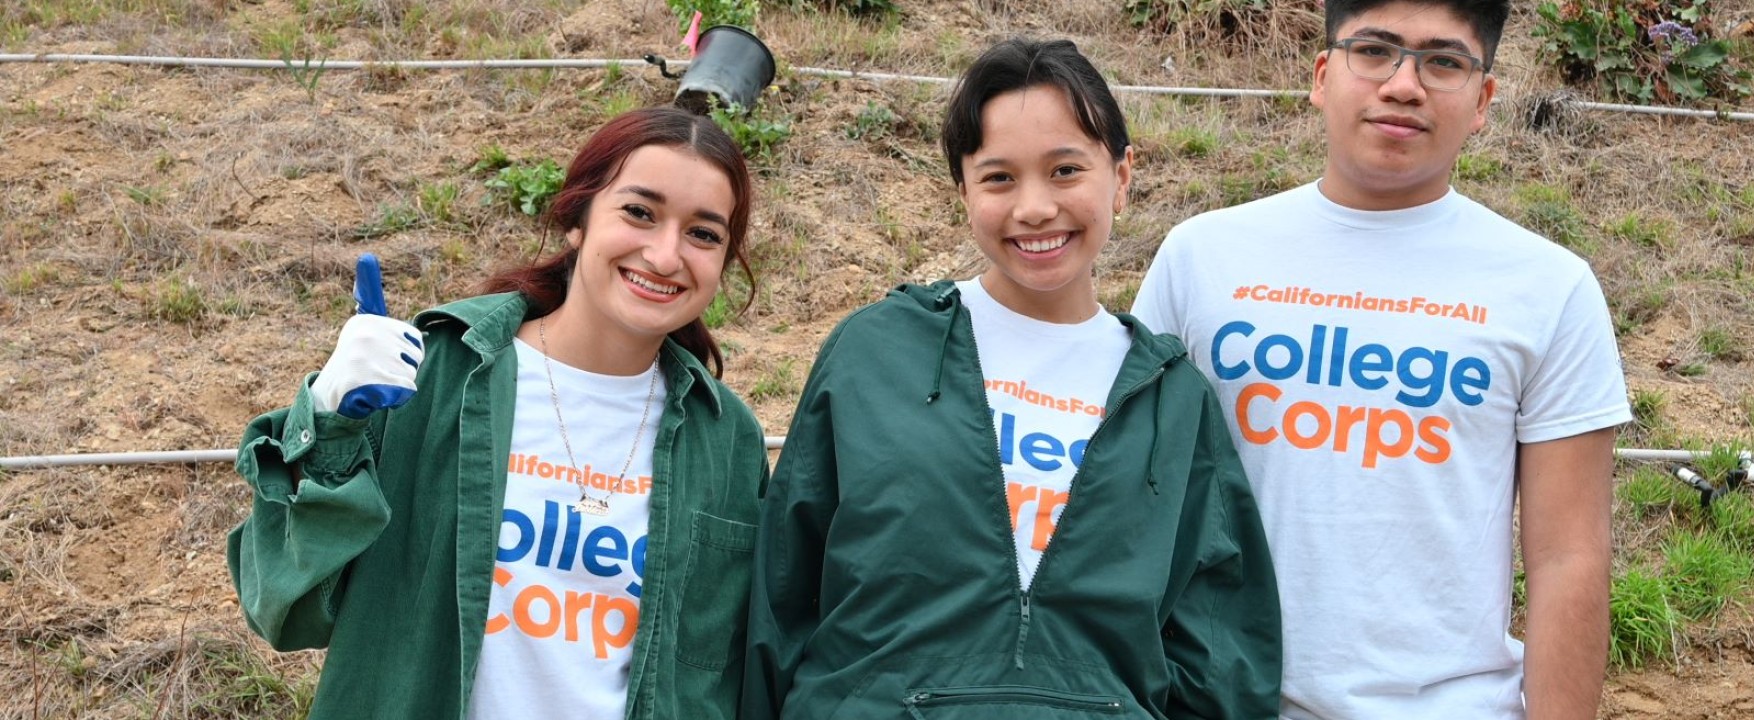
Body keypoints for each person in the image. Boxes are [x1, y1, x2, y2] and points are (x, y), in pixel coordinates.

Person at [744, 38, 1282, 719]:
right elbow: (782, 593)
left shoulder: (1172, 400)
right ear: (963, 191)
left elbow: (1219, 647)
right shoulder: (875, 352)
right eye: (999, 178)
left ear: (1120, 176)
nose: (1034, 207)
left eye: (1065, 170)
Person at [1131, 0, 1631, 716]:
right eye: (1374, 51)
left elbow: (1569, 559)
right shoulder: (1201, 258)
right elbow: (1130, 499)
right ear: (1322, 74)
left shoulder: (1550, 288)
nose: (1403, 84)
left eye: (1444, 61)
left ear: (1483, 99)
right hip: (1222, 701)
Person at [226, 106, 768, 720]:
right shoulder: (426, 379)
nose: (666, 255)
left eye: (703, 233)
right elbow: (283, 609)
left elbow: (718, 679)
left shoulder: (727, 439)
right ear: (577, 221)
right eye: (639, 212)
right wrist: (327, 419)